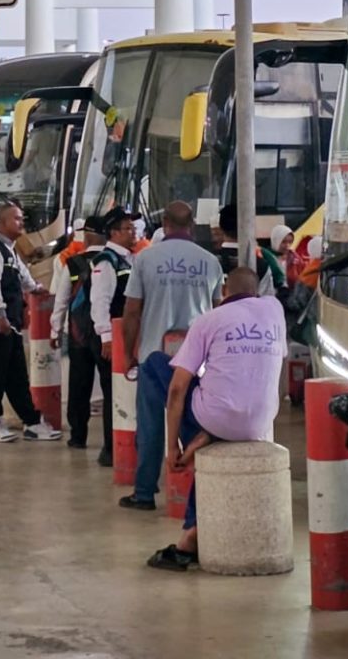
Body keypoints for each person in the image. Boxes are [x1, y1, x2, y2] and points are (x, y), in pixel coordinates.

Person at [146, 266, 287, 571]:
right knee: (220, 417)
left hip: (216, 417)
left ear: (224, 291)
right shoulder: (275, 311)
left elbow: (177, 389)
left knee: (154, 365)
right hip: (261, 421)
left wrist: (172, 448)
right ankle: (189, 535)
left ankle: (182, 446)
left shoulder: (208, 320)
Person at [120, 200, 224, 511]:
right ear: (192, 226)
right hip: (197, 358)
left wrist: (129, 352)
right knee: (195, 421)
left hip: (154, 354)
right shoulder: (210, 262)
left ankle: (144, 492)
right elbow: (218, 312)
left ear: (164, 224)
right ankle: (203, 490)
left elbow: (132, 311)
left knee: (151, 423)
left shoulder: (145, 259)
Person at [0, 203, 61, 443]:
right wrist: (0, 315)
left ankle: (32, 423)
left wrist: (35, 288)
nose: (22, 223)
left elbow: (22, 275)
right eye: (17, 219)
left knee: (16, 377)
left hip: (8, 324)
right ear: (2, 223)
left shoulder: (8, 250)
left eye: (22, 218)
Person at [55, 208, 134, 466]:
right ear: (111, 233)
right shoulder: (106, 262)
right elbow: (100, 302)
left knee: (84, 383)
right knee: (110, 391)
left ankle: (83, 437)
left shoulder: (125, 259)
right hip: (101, 336)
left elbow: (62, 299)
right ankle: (110, 450)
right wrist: (107, 337)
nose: (133, 233)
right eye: (127, 229)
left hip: (92, 334)